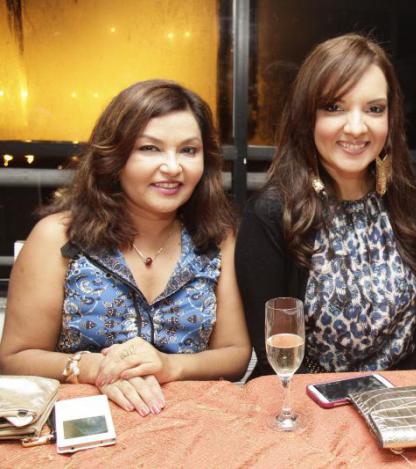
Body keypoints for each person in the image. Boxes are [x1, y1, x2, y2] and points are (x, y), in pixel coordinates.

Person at [0, 80, 251, 415]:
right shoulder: (57, 237)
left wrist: (169, 366)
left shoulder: (218, 237)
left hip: (188, 421)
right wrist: (93, 369)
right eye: (150, 148)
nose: (173, 167)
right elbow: (15, 358)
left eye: (189, 150)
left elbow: (235, 354)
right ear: (114, 156)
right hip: (83, 422)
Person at [235, 34, 416, 377]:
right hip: (309, 394)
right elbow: (273, 353)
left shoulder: (405, 201)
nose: (356, 127)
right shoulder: (272, 213)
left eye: (374, 109)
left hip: (400, 394)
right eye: (334, 107)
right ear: (306, 116)